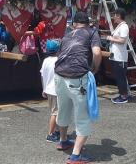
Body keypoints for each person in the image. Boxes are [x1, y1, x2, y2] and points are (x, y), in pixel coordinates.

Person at [54, 11, 102, 164]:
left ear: (74, 24)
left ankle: (62, 141)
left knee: (63, 109)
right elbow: (97, 52)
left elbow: (60, 54)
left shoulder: (67, 35)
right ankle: (75, 155)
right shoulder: (91, 32)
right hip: (77, 78)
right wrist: (94, 68)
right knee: (83, 116)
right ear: (87, 24)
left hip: (59, 76)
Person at [102, 8, 130, 104]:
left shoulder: (124, 26)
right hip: (116, 56)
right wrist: (113, 38)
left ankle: (124, 97)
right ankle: (123, 94)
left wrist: (111, 38)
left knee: (120, 77)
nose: (113, 17)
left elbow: (122, 41)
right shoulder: (119, 26)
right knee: (118, 77)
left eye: (114, 15)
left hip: (120, 57)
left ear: (118, 16)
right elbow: (119, 38)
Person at [40, 39, 60, 143]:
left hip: (48, 89)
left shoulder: (46, 60)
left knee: (54, 111)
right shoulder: (58, 60)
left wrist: (44, 89)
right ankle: (50, 134)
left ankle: (56, 131)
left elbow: (43, 76)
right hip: (56, 90)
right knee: (55, 113)